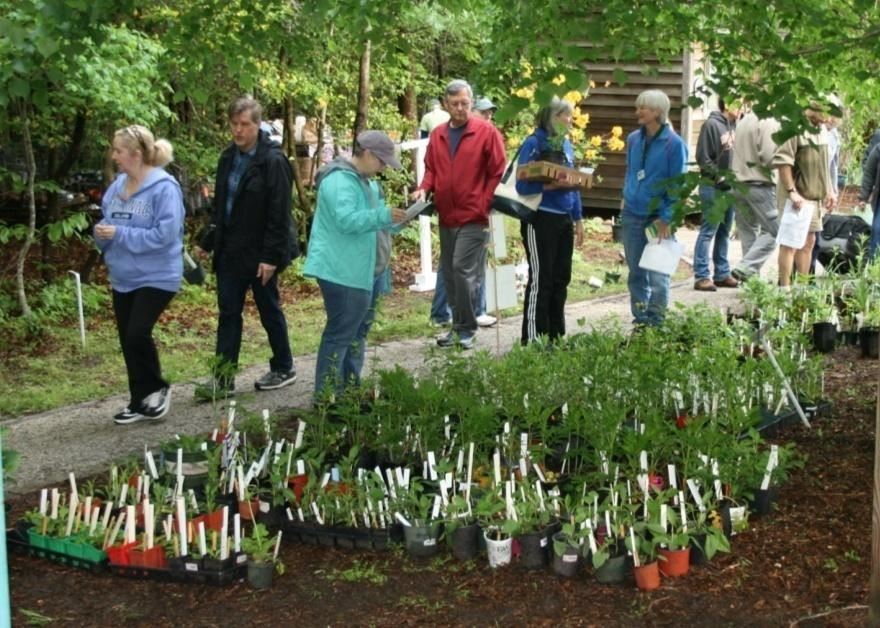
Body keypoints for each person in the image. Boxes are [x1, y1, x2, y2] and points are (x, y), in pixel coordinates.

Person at [197, 96, 298, 397]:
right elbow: (221, 207)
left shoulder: (273, 161)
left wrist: (271, 257)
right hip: (230, 250)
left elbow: (279, 213)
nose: (238, 130)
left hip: (261, 251)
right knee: (228, 312)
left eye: (244, 124)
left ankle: (284, 366)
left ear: (257, 125)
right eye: (234, 124)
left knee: (268, 308)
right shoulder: (228, 158)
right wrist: (207, 241)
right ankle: (223, 378)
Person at [304, 131, 407, 399]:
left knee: (357, 334)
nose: (383, 168)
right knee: (340, 335)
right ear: (368, 154)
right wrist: (383, 215)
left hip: (367, 270)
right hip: (343, 272)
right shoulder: (339, 181)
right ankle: (326, 399)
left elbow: (374, 221)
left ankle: (349, 392)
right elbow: (347, 220)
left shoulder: (368, 183)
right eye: (382, 161)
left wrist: (397, 219)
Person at [94, 125, 184, 425]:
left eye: (118, 151)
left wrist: (120, 234)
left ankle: (157, 388)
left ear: (136, 154)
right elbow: (107, 222)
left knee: (137, 333)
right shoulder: (117, 186)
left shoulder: (164, 188)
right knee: (127, 339)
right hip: (123, 277)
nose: (114, 156)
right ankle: (138, 400)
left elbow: (164, 235)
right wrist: (101, 234)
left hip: (158, 275)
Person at [412, 79, 506, 349]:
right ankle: (457, 327)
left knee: (462, 270)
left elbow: (498, 171)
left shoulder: (486, 132)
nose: (460, 108)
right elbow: (431, 169)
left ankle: (466, 328)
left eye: (465, 103)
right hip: (447, 214)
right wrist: (423, 189)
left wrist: (484, 203)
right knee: (451, 275)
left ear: (471, 102)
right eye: (455, 104)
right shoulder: (438, 135)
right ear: (446, 104)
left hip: (475, 216)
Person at [515, 97, 584, 344]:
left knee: (560, 278)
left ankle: (555, 338)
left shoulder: (566, 145)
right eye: (566, 115)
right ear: (552, 117)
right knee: (541, 279)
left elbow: (574, 184)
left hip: (564, 219)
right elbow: (521, 185)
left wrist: (578, 218)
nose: (570, 120)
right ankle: (534, 340)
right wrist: (551, 186)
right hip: (540, 218)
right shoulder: (533, 143)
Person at [620, 89, 688, 326]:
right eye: (637, 107)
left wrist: (667, 217)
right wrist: (626, 195)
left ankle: (656, 322)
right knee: (636, 273)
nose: (637, 112)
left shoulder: (674, 145)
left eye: (643, 108)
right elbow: (630, 171)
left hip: (658, 218)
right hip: (631, 214)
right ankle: (640, 321)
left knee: (658, 275)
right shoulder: (633, 139)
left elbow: (679, 185)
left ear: (658, 111)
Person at [772, 106, 837, 287]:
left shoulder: (822, 130)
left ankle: (802, 288)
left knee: (809, 242)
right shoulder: (793, 127)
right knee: (790, 243)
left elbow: (824, 164)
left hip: (814, 197)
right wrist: (792, 191)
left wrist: (829, 190)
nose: (831, 117)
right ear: (815, 109)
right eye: (827, 112)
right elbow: (783, 162)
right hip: (796, 196)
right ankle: (784, 290)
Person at [730, 108, 782, 280]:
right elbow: (769, 158)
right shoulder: (769, 121)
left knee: (748, 233)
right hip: (760, 185)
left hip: (738, 183)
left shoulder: (743, 120)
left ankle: (751, 284)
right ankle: (745, 266)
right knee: (776, 231)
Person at [693, 99, 739, 291]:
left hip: (730, 188)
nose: (743, 108)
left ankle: (721, 273)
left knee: (724, 231)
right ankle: (701, 275)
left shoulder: (736, 126)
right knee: (708, 231)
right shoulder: (711, 125)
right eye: (740, 103)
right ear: (727, 103)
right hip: (712, 186)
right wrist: (719, 177)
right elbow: (702, 158)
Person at [857, 142, 880, 258]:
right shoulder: (879, 149)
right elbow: (869, 173)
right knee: (877, 230)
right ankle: (874, 263)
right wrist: (863, 197)